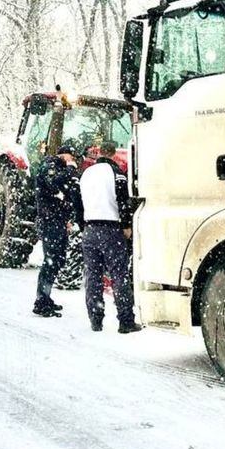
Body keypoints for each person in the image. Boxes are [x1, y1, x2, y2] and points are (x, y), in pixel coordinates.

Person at [78, 141, 142, 333]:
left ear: (98, 154)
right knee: (119, 275)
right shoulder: (117, 174)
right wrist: (127, 225)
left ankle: (96, 320)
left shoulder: (86, 174)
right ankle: (125, 321)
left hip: (90, 229)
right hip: (111, 229)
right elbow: (123, 200)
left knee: (93, 276)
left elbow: (78, 203)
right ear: (113, 153)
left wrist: (83, 225)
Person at [32, 142, 83, 317]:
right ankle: (41, 300)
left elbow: (68, 195)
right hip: (49, 221)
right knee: (51, 260)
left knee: (59, 259)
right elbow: (53, 184)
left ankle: (46, 297)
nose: (74, 160)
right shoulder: (50, 165)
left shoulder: (63, 170)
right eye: (72, 156)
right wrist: (69, 170)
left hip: (59, 222)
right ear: (64, 154)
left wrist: (69, 218)